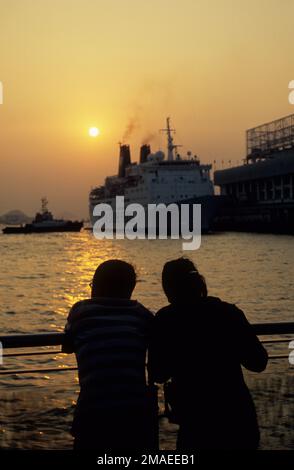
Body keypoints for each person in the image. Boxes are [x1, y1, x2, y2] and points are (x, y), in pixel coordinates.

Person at [148, 257, 268, 450]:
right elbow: (258, 362)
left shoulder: (166, 319)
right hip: (237, 415)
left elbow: (158, 372)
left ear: (168, 288)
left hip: (196, 420)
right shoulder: (229, 312)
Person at [63, 259, 157, 450]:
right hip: (135, 414)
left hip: (93, 412)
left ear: (96, 286)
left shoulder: (80, 311)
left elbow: (68, 345)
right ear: (130, 289)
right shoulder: (142, 315)